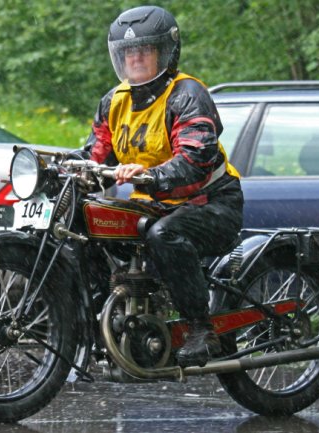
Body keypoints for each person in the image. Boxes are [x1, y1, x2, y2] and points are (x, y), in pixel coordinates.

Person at [84, 5, 243, 367]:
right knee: (87, 226)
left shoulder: (186, 94)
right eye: (128, 51)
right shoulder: (114, 101)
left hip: (210, 203)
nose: (135, 58)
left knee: (164, 235)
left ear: (166, 53)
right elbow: (96, 154)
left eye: (145, 50)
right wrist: (56, 168)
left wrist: (152, 175)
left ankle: (201, 329)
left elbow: (196, 157)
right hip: (153, 205)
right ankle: (102, 320)